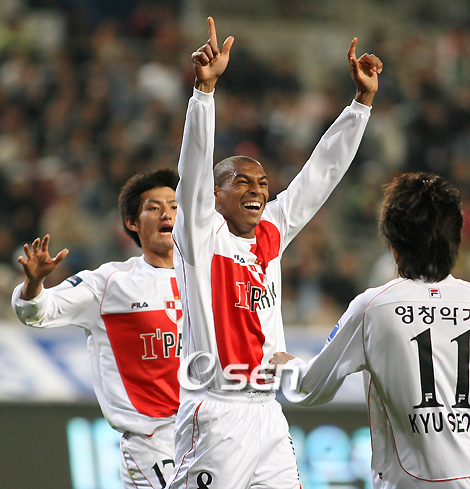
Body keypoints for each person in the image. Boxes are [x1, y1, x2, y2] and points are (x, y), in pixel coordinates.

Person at [168, 16, 382, 489]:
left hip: (268, 412)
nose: (257, 190)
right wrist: (204, 94)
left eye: (263, 183)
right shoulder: (202, 236)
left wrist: (360, 104)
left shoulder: (270, 233)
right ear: (215, 196)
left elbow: (320, 174)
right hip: (217, 411)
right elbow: (194, 169)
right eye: (241, 181)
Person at [268, 172, 470, 489]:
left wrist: (288, 366)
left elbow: (312, 388)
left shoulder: (373, 307)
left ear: (392, 245)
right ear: (456, 239)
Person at [12, 169, 181, 489]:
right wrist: (34, 284)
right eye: (154, 207)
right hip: (154, 441)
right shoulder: (109, 283)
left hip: (208, 431)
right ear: (131, 222)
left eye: (174, 206)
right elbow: (37, 313)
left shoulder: (207, 280)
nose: (167, 214)